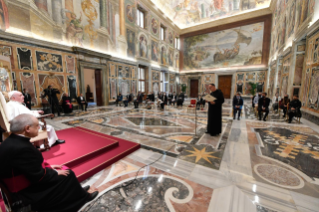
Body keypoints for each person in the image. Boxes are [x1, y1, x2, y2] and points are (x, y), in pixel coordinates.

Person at [0, 114, 98, 212]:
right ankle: (83, 197)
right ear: (27, 128)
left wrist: (49, 167)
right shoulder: (22, 147)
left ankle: (78, 192)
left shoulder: (12, 140)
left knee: (63, 172)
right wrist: (54, 172)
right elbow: (38, 176)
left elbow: (27, 167)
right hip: (25, 193)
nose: (39, 128)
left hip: (21, 184)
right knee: (68, 174)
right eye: (37, 126)